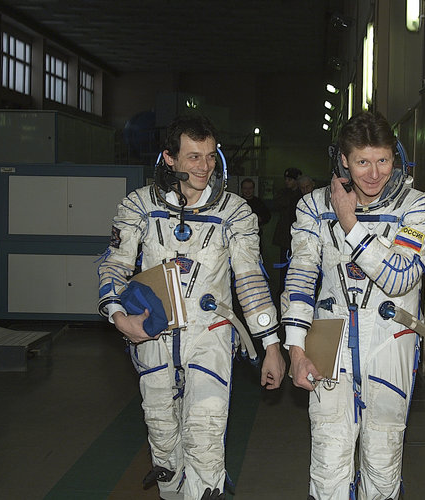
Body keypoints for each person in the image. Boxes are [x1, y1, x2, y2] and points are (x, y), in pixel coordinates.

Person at [97, 114, 285, 500]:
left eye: (211, 157)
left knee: (205, 435)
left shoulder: (233, 212)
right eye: (194, 157)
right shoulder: (139, 207)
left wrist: (271, 345)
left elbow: (250, 280)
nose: (205, 167)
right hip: (154, 334)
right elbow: (115, 265)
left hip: (210, 335)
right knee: (164, 439)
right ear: (170, 159)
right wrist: (119, 317)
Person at [281, 111, 425, 500]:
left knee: (382, 462)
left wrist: (350, 223)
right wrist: (295, 351)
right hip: (328, 342)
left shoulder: (418, 209)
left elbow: (400, 277)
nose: (373, 174)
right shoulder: (313, 208)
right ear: (343, 162)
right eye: (362, 162)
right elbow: (301, 280)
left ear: (396, 157)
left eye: (382, 160)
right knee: (328, 461)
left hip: (389, 345)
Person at [272, 167, 302, 288]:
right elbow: (278, 203)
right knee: (284, 266)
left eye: (290, 179)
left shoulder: (301, 194)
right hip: (285, 237)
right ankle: (282, 289)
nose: (287, 182)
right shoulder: (283, 193)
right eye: (286, 179)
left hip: (298, 236)